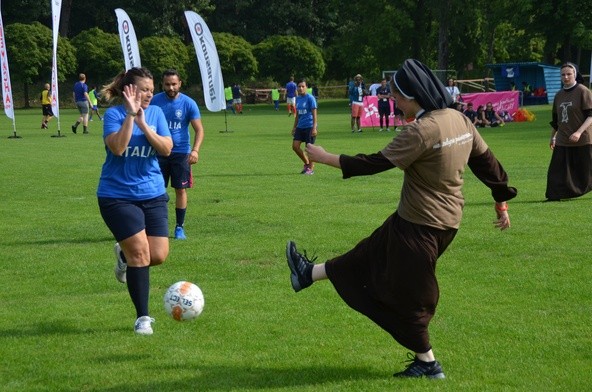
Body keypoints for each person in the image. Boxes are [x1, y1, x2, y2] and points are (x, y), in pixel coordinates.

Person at [285, 59, 516, 379]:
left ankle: (428, 363)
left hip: (421, 226)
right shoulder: (459, 120)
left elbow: (374, 163)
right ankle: (307, 273)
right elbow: (487, 163)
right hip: (437, 222)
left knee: (410, 298)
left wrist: (324, 157)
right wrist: (500, 200)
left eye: (397, 97)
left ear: (414, 95)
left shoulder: (422, 130)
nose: (394, 102)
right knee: (366, 255)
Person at [97, 67, 173, 335]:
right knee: (140, 254)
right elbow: (117, 148)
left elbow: (166, 148)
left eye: (152, 90)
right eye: (144, 89)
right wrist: (131, 116)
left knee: (158, 255)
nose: (149, 94)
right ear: (129, 90)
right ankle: (143, 318)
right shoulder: (114, 115)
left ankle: (123, 255)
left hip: (152, 193)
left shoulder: (156, 114)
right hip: (117, 196)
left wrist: (144, 124)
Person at [151, 69, 204, 240]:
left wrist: (195, 150)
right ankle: (154, 226)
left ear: (180, 83)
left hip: (181, 153)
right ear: (162, 84)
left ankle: (179, 227)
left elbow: (199, 130)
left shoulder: (189, 103)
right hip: (158, 152)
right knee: (155, 190)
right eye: (167, 84)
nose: (171, 87)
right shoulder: (154, 101)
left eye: (174, 84)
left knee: (180, 190)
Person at [546, 62, 592, 201]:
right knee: (556, 170)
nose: (566, 77)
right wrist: (553, 137)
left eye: (569, 74)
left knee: (587, 171)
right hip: (563, 140)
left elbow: (590, 115)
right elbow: (556, 120)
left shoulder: (583, 91)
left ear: (575, 74)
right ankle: (554, 196)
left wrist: (579, 132)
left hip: (583, 139)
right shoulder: (559, 95)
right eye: (563, 75)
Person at [291, 79, 318, 175]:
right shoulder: (297, 99)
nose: (301, 88)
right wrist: (294, 127)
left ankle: (311, 168)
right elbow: (297, 115)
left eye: (303, 86)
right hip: (300, 126)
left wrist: (314, 127)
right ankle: (307, 163)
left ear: (306, 87)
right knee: (295, 146)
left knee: (309, 149)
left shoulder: (310, 98)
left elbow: (315, 114)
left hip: (309, 126)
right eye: (299, 86)